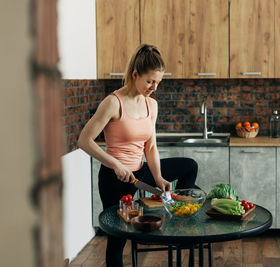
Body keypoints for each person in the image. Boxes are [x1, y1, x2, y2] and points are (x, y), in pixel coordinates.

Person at [77, 44, 198, 267]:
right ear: (135, 75)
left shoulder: (152, 105)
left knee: (189, 166)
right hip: (115, 177)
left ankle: (179, 221)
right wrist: (115, 165)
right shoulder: (113, 102)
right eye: (150, 81)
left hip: (140, 171)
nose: (154, 87)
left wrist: (159, 178)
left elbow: (150, 147)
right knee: (117, 239)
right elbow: (84, 140)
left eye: (158, 82)